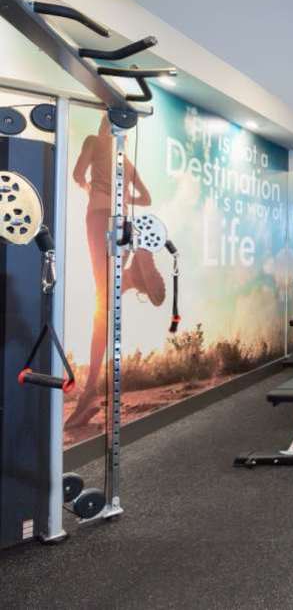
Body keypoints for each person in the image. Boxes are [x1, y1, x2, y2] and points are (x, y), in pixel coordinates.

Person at [66, 116, 164, 429]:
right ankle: (132, 278)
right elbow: (146, 198)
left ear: (101, 125)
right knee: (107, 297)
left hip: (98, 216)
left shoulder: (93, 143)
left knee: (102, 299)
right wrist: (123, 197)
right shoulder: (124, 157)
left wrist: (89, 187)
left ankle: (90, 392)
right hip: (121, 222)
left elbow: (77, 173)